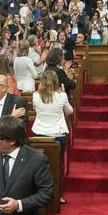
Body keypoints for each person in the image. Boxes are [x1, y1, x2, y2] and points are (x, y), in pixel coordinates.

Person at [32, 70, 73, 204]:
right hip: (57, 135)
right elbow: (69, 111)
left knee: (38, 166)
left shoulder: (36, 96)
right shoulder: (61, 96)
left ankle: (38, 194)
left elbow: (35, 109)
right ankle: (57, 196)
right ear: (57, 83)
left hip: (39, 134)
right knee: (57, 165)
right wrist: (62, 94)